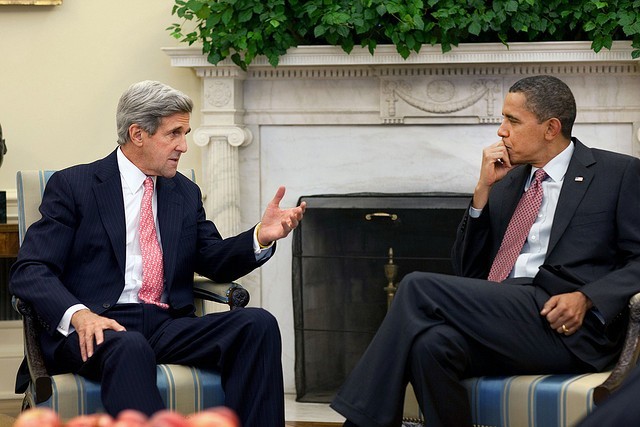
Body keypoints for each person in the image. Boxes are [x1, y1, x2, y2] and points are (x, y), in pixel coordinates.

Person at [330, 75, 640, 427]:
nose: (501, 131)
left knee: (417, 286)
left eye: (512, 120)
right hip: (507, 313)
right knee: (430, 345)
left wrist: (587, 297)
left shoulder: (617, 173)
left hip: (567, 323)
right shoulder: (508, 182)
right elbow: (468, 272)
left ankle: (358, 423)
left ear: (551, 128)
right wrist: (482, 192)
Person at [9, 80, 306, 427]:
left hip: (167, 325)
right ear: (138, 134)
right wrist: (79, 315)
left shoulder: (184, 191)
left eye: (186, 132)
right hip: (97, 327)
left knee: (257, 324)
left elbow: (211, 257)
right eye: (174, 133)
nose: (183, 146)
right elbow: (31, 269)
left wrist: (260, 236)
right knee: (130, 345)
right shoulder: (75, 186)